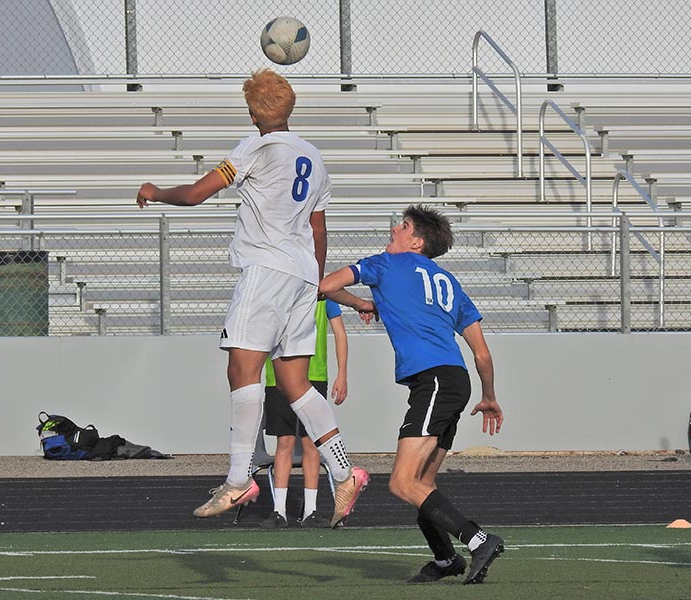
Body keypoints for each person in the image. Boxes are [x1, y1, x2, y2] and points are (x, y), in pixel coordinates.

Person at [135, 69, 368, 527]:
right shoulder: (314, 157)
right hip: (304, 277)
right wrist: (313, 283)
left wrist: (155, 191)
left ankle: (239, 477)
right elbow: (318, 228)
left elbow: (198, 194)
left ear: (251, 112)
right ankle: (344, 470)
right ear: (291, 106)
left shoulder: (256, 147)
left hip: (267, 272)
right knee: (296, 385)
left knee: (241, 368)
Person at [319, 204, 505, 585]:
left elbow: (325, 286)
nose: (393, 229)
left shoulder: (386, 264)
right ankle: (444, 561)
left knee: (402, 482)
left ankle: (478, 539)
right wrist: (489, 396)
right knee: (423, 485)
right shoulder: (449, 283)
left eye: (401, 226)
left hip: (432, 381)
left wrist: (361, 303)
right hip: (456, 380)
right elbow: (482, 354)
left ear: (416, 241)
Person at [259, 298, 348, 529]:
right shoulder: (276, 289)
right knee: (284, 442)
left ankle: (311, 510)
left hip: (314, 375)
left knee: (311, 444)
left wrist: (342, 374)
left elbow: (339, 332)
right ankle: (279, 511)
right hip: (277, 377)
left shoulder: (324, 294)